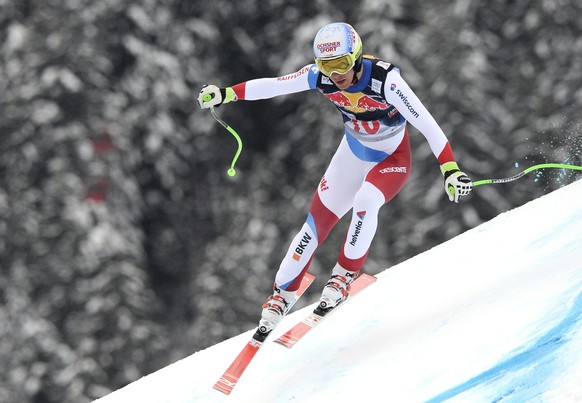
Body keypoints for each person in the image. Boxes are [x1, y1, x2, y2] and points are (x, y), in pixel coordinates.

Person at [198, 22, 472, 333]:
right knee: (314, 224)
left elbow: (427, 123)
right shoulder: (322, 77)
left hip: (392, 159)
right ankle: (280, 295)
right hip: (352, 155)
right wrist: (226, 94)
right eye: (326, 66)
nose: (336, 74)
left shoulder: (386, 81)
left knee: (366, 200)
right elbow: (277, 85)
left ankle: (344, 275)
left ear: (356, 57)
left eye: (341, 64)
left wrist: (449, 168)